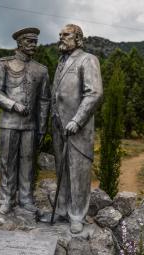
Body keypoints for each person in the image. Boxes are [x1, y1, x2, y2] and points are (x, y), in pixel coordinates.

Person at [0, 27, 50, 214]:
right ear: (19, 42)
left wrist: (42, 127)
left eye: (35, 42)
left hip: (31, 126)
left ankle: (26, 199)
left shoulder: (41, 70)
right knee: (7, 162)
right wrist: (13, 105)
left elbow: (45, 100)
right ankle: (6, 199)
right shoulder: (3, 64)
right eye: (29, 41)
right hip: (9, 123)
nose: (33, 45)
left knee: (28, 163)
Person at [51, 24, 103, 233]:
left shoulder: (88, 59)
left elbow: (94, 93)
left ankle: (77, 215)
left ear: (78, 39)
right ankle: (62, 209)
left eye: (66, 35)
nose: (61, 37)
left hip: (77, 128)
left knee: (78, 172)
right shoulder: (61, 62)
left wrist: (77, 119)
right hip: (58, 125)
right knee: (61, 170)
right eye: (60, 34)